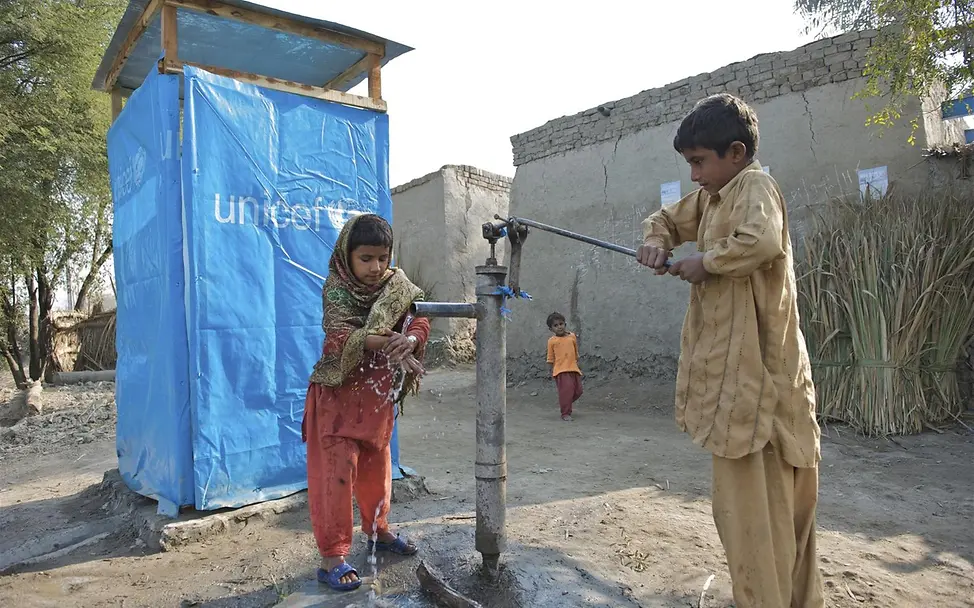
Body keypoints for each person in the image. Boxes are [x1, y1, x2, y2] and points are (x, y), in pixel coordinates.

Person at [635, 93, 824, 608]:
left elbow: (760, 243)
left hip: (762, 385)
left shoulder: (755, 187)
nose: (694, 175)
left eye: (699, 162)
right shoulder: (715, 196)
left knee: (760, 522)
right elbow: (666, 218)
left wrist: (706, 262)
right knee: (757, 519)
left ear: (735, 152)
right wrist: (657, 239)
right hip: (738, 386)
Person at [303, 213, 430, 592]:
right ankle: (332, 557)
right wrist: (385, 340)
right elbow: (339, 338)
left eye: (382, 257)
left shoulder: (398, 287)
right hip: (337, 403)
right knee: (336, 481)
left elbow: (419, 319)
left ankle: (378, 532)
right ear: (348, 256)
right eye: (366, 258)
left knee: (378, 473)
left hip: (376, 402)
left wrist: (409, 341)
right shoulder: (337, 290)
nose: (376, 268)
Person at [546, 312, 583, 422]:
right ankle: (565, 413)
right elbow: (550, 357)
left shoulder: (572, 336)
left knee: (578, 391)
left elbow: (575, 351)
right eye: (555, 325)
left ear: (565, 324)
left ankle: (565, 402)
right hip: (561, 371)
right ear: (551, 329)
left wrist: (577, 362)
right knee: (567, 391)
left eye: (561, 324)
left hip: (573, 368)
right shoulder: (552, 341)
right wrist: (550, 370)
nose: (559, 327)